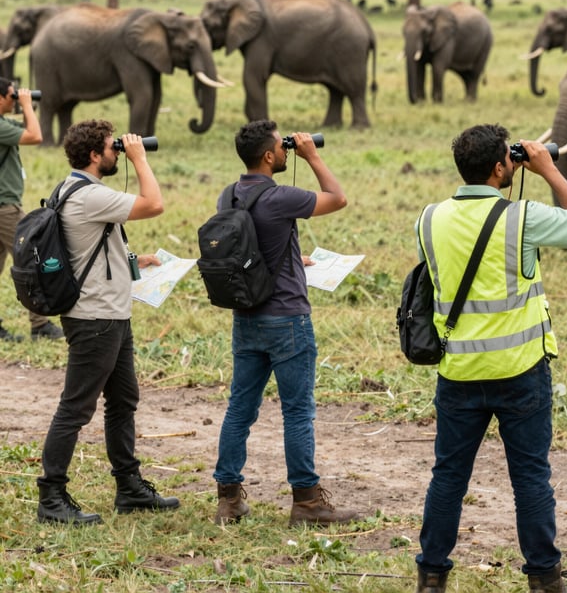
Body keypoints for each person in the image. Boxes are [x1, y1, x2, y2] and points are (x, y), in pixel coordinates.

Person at [414, 124, 567, 593]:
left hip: (458, 372)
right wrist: (549, 170)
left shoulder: (429, 218)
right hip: (521, 372)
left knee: (448, 477)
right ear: (501, 167)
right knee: (531, 477)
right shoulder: (523, 218)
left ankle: (432, 575)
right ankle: (545, 578)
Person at [213, 120, 358, 527]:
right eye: (282, 146)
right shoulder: (279, 197)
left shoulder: (229, 196)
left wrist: (295, 257)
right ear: (268, 156)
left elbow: (250, 244)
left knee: (240, 407)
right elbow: (337, 197)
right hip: (287, 320)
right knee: (297, 412)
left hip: (246, 318)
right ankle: (308, 503)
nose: (286, 151)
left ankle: (228, 499)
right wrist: (312, 154)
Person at [36, 120, 179, 525]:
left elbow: (89, 247)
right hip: (96, 317)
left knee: (122, 401)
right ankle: (51, 497)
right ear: (95, 156)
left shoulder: (70, 188)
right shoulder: (91, 194)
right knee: (75, 408)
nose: (118, 151)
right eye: (111, 147)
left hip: (109, 313)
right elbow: (154, 204)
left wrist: (135, 260)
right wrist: (140, 158)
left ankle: (129, 487)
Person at [0, 76, 64, 342]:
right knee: (33, 257)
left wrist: (23, 103)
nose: (14, 99)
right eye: (11, 95)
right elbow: (36, 135)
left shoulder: (4, 124)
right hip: (6, 208)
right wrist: (26, 104)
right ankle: (39, 325)